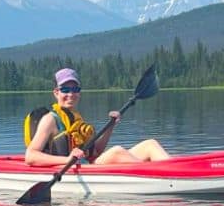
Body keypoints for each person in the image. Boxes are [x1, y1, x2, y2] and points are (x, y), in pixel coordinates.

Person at [24, 68, 170, 166]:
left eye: (75, 89)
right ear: (56, 92)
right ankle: (162, 176)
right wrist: (67, 160)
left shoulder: (76, 118)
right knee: (117, 152)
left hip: (89, 165)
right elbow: (30, 156)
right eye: (65, 89)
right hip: (79, 169)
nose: (71, 94)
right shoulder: (50, 119)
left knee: (150, 144)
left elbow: (96, 152)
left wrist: (110, 126)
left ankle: (176, 170)